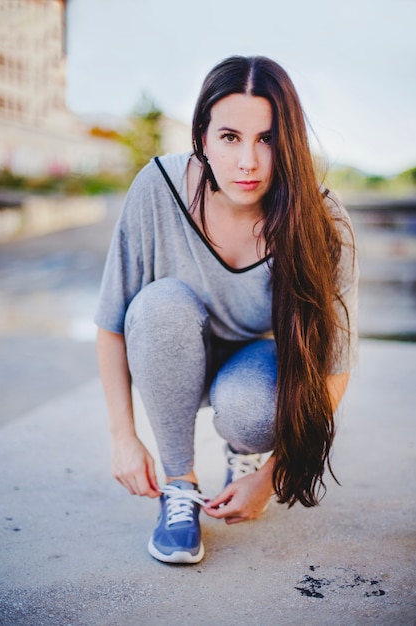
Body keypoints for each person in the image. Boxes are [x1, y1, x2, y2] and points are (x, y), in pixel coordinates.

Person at [95, 55, 359, 564]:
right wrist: (123, 439)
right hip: (168, 358)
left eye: (268, 138)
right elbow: (112, 325)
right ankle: (180, 487)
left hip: (252, 374)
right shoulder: (159, 187)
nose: (249, 162)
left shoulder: (321, 219)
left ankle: (244, 450)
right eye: (231, 137)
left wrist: (270, 476)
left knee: (252, 409)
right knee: (156, 306)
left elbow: (333, 369)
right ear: (202, 137)